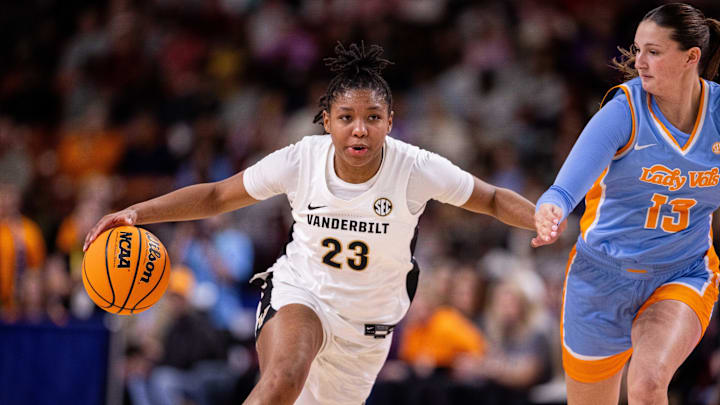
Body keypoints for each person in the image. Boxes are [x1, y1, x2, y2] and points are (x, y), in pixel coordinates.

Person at [84, 42, 550, 405]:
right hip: (302, 292)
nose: (359, 129)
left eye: (372, 117)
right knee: (283, 377)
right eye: (346, 117)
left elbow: (490, 198)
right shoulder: (300, 159)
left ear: (391, 121)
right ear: (327, 121)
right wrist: (137, 213)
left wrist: (541, 218)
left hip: (367, 330)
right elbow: (216, 195)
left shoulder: (416, 168)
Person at [534, 4, 720, 404]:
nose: (639, 62)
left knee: (648, 383)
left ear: (691, 58)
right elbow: (564, 190)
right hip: (600, 276)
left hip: (681, 271)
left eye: (653, 51)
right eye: (637, 50)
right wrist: (551, 209)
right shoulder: (624, 110)